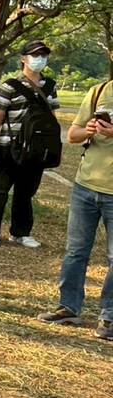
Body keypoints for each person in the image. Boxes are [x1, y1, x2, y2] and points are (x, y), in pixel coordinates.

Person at [38, 79, 113, 340]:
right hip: (85, 187)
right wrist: (90, 130)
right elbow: (73, 135)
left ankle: (109, 316)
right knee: (75, 252)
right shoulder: (99, 91)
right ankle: (68, 307)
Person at [0, 40, 61, 247]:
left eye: (43, 55)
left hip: (35, 150)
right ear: (23, 59)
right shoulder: (10, 86)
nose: (40, 59)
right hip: (9, 147)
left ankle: (21, 232)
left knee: (26, 193)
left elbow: (51, 119)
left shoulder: (50, 87)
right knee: (0, 190)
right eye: (35, 55)